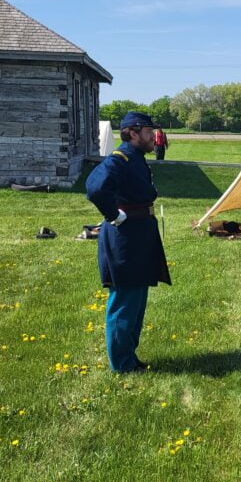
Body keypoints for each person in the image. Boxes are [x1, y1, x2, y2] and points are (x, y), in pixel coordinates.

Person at [85, 111, 169, 374]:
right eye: (147, 131)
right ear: (132, 132)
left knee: (136, 301)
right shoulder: (119, 159)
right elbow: (95, 188)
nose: (153, 137)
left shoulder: (136, 159)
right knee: (124, 301)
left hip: (139, 237)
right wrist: (114, 214)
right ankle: (122, 365)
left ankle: (129, 358)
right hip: (125, 239)